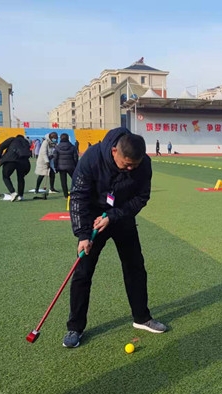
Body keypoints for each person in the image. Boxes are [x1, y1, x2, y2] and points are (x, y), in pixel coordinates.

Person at [64, 127, 167, 348]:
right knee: (83, 272)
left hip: (121, 216)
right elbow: (79, 197)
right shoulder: (91, 159)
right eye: (126, 164)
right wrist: (83, 234)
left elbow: (141, 197)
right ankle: (75, 327)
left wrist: (113, 216)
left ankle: (141, 317)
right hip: (93, 220)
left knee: (135, 267)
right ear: (114, 152)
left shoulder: (143, 164)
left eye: (134, 165)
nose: (131, 169)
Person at [0, 134, 32, 201]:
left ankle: (13, 193)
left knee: (5, 176)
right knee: (21, 178)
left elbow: (2, 146)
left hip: (11, 159)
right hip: (23, 161)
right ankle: (20, 196)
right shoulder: (26, 142)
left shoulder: (12, 139)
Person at [50, 132, 78, 197]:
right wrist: (76, 165)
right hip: (71, 166)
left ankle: (66, 195)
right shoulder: (72, 147)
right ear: (68, 138)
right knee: (75, 179)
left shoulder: (57, 147)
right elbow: (75, 157)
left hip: (61, 167)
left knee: (63, 181)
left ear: (60, 138)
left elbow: (55, 158)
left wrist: (55, 167)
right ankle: (77, 191)